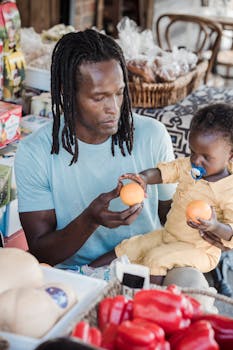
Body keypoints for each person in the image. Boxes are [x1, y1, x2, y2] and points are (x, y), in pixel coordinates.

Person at [14, 29, 214, 290]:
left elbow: (170, 215)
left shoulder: (151, 135)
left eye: (119, 93)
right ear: (65, 94)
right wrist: (90, 219)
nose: (113, 107)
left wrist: (205, 226)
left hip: (151, 264)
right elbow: (42, 253)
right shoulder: (35, 153)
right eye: (99, 97)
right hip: (78, 277)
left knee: (196, 291)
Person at [99, 103, 233, 284]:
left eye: (206, 157)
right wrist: (144, 178)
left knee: (156, 258)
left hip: (200, 251)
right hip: (168, 235)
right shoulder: (188, 166)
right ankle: (85, 272)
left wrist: (215, 226)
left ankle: (150, 302)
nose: (196, 160)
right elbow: (164, 172)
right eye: (192, 151)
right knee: (130, 247)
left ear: (230, 155)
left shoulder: (228, 190)